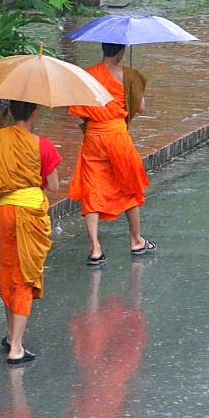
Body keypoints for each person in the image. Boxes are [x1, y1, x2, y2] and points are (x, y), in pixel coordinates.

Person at [0, 100, 61, 364]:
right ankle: (16, 347)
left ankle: (11, 335)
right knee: (25, 275)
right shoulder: (43, 145)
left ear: (10, 112)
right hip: (29, 212)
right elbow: (54, 187)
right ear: (35, 112)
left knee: (8, 269)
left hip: (5, 210)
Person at [68, 42, 155, 266]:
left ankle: (95, 248)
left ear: (103, 49)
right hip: (118, 137)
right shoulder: (129, 75)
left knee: (92, 187)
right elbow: (141, 108)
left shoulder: (87, 75)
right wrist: (133, 87)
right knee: (130, 186)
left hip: (94, 138)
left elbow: (79, 111)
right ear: (121, 51)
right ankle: (136, 240)